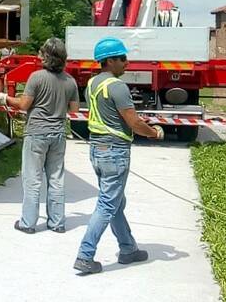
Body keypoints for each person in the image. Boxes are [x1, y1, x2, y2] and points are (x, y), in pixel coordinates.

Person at [73, 37, 164, 274]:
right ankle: (85, 255)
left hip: (97, 149)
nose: (127, 62)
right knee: (107, 204)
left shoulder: (92, 83)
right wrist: (154, 133)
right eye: (122, 58)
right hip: (115, 151)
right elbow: (133, 122)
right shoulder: (117, 86)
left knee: (116, 203)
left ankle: (128, 249)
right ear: (110, 61)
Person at [0, 37, 80, 234]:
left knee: (32, 180)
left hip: (37, 133)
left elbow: (24, 105)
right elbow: (74, 108)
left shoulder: (37, 77)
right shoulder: (70, 81)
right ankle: (57, 223)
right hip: (58, 134)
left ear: (45, 56)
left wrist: (4, 98)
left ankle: (28, 223)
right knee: (56, 179)